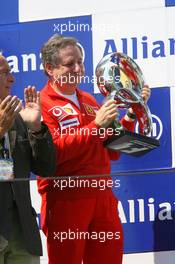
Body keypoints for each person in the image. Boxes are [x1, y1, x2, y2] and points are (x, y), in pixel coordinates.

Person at [37, 34, 151, 264]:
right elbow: (53, 154)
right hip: (67, 199)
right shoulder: (41, 104)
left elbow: (112, 151)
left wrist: (131, 113)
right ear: (50, 68)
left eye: (81, 62)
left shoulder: (89, 99)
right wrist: (95, 125)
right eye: (70, 63)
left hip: (102, 199)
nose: (78, 69)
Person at [0, 54, 56, 264]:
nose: (12, 79)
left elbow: (46, 168)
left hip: (22, 233)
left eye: (11, 72)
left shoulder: (17, 116)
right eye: (4, 73)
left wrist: (36, 128)